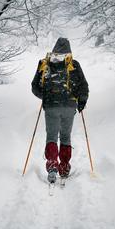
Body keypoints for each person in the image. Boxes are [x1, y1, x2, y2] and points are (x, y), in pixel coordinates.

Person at [31, 37, 89, 183]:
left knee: (51, 136)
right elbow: (83, 86)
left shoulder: (44, 64)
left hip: (51, 107)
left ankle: (52, 167)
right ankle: (64, 168)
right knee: (65, 136)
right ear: (69, 51)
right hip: (70, 107)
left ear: (55, 49)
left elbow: (35, 87)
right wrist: (81, 102)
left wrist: (45, 97)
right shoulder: (74, 64)